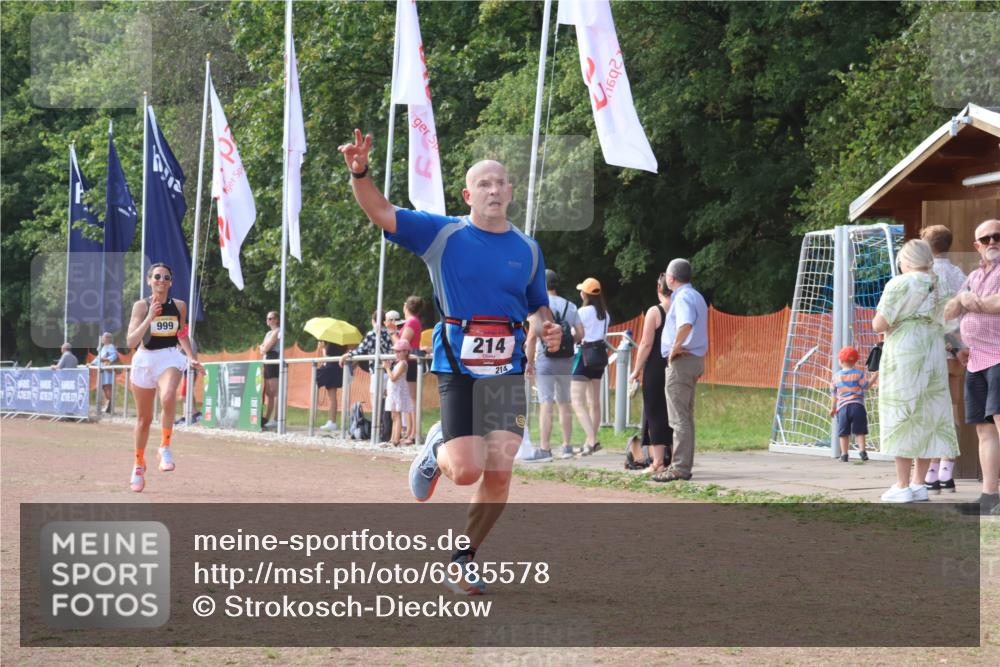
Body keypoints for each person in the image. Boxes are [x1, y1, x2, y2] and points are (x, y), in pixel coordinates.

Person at [338, 129, 561, 595]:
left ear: (511, 191)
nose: (494, 190)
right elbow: (382, 212)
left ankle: (462, 558)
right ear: (467, 195)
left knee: (499, 471)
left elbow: (537, 305)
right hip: (459, 365)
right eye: (484, 184)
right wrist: (360, 173)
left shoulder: (528, 249)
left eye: (500, 183)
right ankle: (436, 447)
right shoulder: (443, 234)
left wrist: (547, 326)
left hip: (506, 371)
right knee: (465, 471)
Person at [873, 240, 958, 503]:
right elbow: (949, 324)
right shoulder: (941, 284)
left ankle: (901, 485)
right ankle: (919, 483)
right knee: (928, 412)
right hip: (933, 351)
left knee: (903, 411)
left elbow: (879, 324)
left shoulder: (899, 283)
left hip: (904, 351)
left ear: (906, 260)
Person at [124, 262, 201, 493]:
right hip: (144, 360)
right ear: (149, 281)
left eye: (166, 277)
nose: (161, 280)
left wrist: (191, 356)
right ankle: (138, 464)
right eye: (157, 277)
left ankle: (164, 446)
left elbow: (181, 333)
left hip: (169, 356)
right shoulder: (141, 306)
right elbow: (131, 341)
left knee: (168, 397)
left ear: (171, 282)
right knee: (144, 420)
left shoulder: (179, 306)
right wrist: (149, 317)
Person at [945, 219, 1000, 515]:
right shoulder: (974, 275)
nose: (993, 242)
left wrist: (969, 300)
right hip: (977, 359)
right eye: (986, 239)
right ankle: (990, 497)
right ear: (976, 246)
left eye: (997, 236)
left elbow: (997, 304)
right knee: (984, 429)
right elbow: (949, 311)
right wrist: (962, 300)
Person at [653, 258, 708, 483]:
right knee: (685, 416)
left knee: (678, 417)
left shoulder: (683, 297)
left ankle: (679, 467)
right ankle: (683, 465)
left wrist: (674, 348)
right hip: (694, 359)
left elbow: (685, 324)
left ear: (671, 278)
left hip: (682, 361)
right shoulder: (696, 296)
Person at [921, 225, 968, 492]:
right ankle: (947, 470)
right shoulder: (958, 273)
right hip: (957, 347)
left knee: (932, 408)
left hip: (934, 347)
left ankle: (931, 468)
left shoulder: (926, 274)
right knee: (953, 406)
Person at [524, 269, 584, 462]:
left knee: (546, 403)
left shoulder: (539, 307)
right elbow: (580, 333)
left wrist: (529, 363)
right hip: (566, 360)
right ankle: (567, 447)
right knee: (564, 403)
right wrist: (567, 341)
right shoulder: (570, 306)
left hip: (545, 360)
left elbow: (531, 338)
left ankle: (545, 449)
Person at [628, 272, 674, 473]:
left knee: (655, 412)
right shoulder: (681, 309)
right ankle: (676, 459)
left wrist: (636, 370)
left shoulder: (655, 311)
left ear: (658, 288)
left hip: (656, 367)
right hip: (675, 365)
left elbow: (646, 343)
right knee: (674, 413)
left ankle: (658, 462)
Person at [570, 277, 610, 457]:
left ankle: (592, 440)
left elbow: (575, 334)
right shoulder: (605, 314)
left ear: (585, 294)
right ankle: (589, 442)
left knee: (577, 401)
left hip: (583, 356)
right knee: (594, 402)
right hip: (599, 357)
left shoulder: (582, 312)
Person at [829, 346, 873, 463]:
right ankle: (862, 451)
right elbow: (866, 386)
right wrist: (875, 375)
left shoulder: (836, 377)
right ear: (855, 361)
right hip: (858, 406)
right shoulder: (859, 374)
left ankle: (844, 454)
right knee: (860, 431)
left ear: (840, 361)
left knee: (843, 432)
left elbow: (834, 394)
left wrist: (833, 408)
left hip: (843, 408)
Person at [393, 296, 425, 444]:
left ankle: (414, 433)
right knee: (410, 398)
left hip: (410, 363)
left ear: (406, 306)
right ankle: (410, 432)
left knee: (412, 399)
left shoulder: (412, 322)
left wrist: (392, 333)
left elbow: (402, 345)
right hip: (409, 362)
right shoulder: (412, 322)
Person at [384, 339, 415, 446]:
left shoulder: (403, 364)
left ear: (405, 352)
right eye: (395, 351)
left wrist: (387, 368)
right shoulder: (398, 363)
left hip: (398, 393)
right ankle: (392, 438)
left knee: (397, 416)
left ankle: (396, 439)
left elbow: (393, 378)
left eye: (398, 351)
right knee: (393, 416)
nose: (396, 354)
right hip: (393, 393)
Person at [316, 340, 346, 431]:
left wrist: (323, 348)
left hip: (330, 367)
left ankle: (331, 421)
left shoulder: (331, 342)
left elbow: (327, 356)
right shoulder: (342, 343)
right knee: (332, 397)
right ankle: (332, 421)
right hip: (335, 368)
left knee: (331, 397)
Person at [259, 311, 281, 429]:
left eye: (271, 318)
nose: (268, 320)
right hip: (266, 361)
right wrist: (263, 348)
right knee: (268, 392)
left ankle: (277, 419)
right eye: (267, 318)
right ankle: (267, 418)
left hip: (273, 360)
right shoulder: (268, 333)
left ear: (276, 320)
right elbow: (261, 348)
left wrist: (264, 348)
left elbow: (266, 347)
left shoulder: (278, 331)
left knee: (275, 391)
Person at [98, 332, 118, 414]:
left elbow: (114, 356)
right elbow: (98, 358)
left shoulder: (111, 346)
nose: (102, 339)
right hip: (103, 371)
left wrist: (106, 359)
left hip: (108, 371)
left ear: (108, 339)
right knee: (104, 388)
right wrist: (91, 363)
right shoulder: (103, 347)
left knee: (108, 388)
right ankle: (107, 406)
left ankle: (110, 406)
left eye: (103, 337)